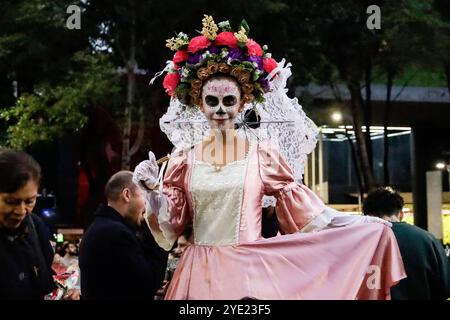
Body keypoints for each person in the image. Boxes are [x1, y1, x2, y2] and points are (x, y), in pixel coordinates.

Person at [134, 16, 405, 299]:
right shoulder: (183, 161)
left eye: (229, 101)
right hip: (197, 274)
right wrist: (154, 193)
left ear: (242, 104)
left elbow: (310, 214)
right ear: (200, 105)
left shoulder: (262, 156)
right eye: (211, 101)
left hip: (249, 274)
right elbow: (170, 225)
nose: (220, 110)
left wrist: (362, 223)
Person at [0, 149, 79, 300]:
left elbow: (44, 281)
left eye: (29, 201)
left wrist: (64, 293)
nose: (21, 211)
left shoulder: (36, 227)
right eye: (11, 202)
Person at [79, 171, 168, 300]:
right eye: (144, 196)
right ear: (127, 195)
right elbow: (149, 282)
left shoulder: (99, 226)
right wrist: (156, 230)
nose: (146, 206)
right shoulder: (117, 234)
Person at [363, 187, 450, 300]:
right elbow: (444, 288)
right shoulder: (427, 240)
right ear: (401, 214)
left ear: (366, 214)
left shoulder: (356, 242)